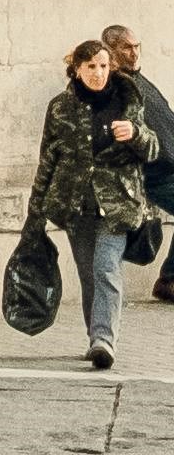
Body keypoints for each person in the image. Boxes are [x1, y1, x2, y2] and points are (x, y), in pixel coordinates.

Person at [31, 35, 160, 369]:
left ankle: (104, 340)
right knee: (88, 274)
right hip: (76, 205)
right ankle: (96, 337)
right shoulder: (60, 107)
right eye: (91, 67)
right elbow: (48, 159)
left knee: (106, 269)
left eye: (103, 66)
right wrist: (35, 213)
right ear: (76, 69)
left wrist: (135, 134)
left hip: (118, 205)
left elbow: (153, 148)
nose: (98, 73)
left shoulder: (128, 99)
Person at [99, 25, 174, 302]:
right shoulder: (116, 86)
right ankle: (169, 279)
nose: (134, 53)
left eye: (136, 46)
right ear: (111, 50)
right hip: (152, 173)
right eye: (126, 48)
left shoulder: (138, 80)